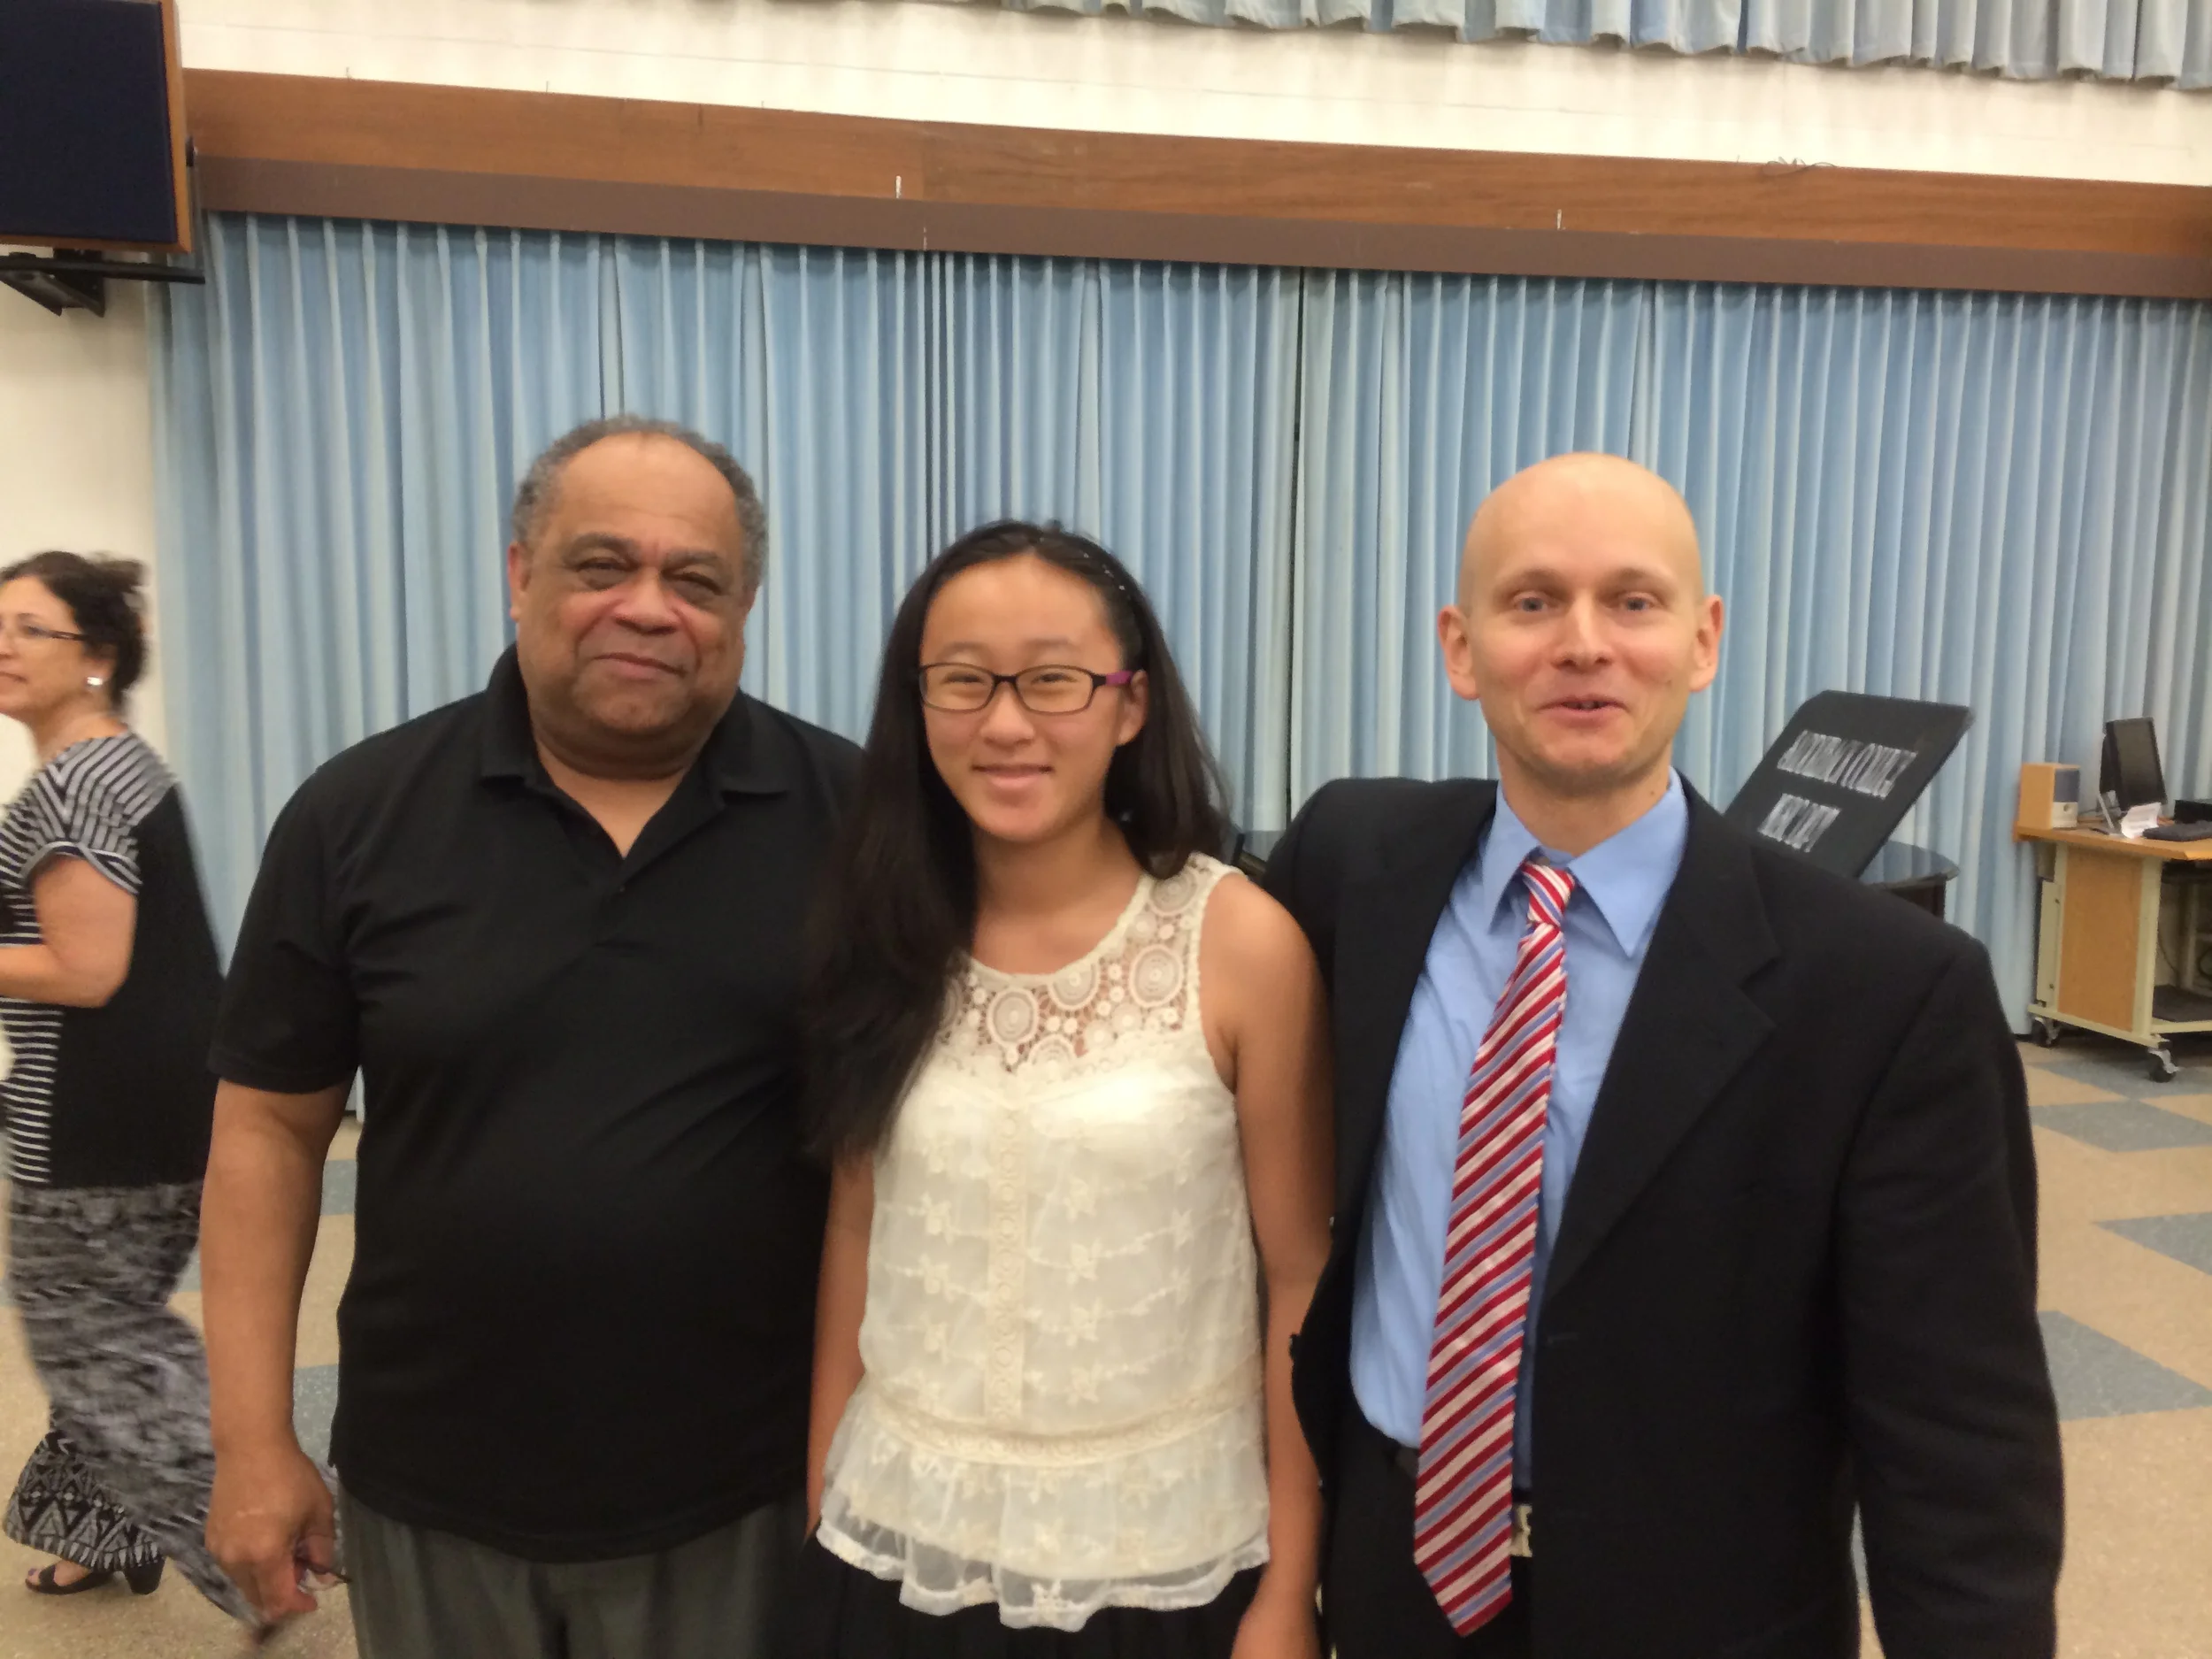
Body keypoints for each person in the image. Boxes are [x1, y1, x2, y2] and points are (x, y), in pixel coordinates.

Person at [1262, 454, 2063, 1659]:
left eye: (1632, 601)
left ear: (1702, 638)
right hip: (1391, 1576)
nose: (1583, 642)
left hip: (1705, 1604)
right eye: (1532, 601)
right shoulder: (1353, 863)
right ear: (1460, 645)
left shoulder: (1890, 990)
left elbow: (1959, 1442)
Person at [198, 415, 858, 1658]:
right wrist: (252, 1437)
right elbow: (267, 1134)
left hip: (746, 1494)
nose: (648, 607)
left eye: (695, 578)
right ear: (520, 576)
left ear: (746, 603)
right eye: (602, 565)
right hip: (437, 1490)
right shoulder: (356, 814)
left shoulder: (858, 822)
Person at [798, 520, 1333, 1658]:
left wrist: (1291, 1588)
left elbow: (1297, 1276)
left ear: (1129, 704)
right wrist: (823, 1508)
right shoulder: (881, 934)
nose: (1005, 723)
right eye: (963, 682)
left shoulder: (1236, 940)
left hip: (1159, 1558)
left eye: (1053, 680)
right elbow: (855, 1226)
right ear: (918, 701)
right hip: (902, 1541)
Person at [0, 553, 251, 1622]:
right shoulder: (124, 764)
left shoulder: (73, 782)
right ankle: (92, 1534)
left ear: (98, 657)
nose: (3, 647)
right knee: (108, 1327)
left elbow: (86, 968)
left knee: (93, 1339)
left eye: (29, 628)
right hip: (161, 1109)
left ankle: (268, 1552)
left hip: (95, 1125)